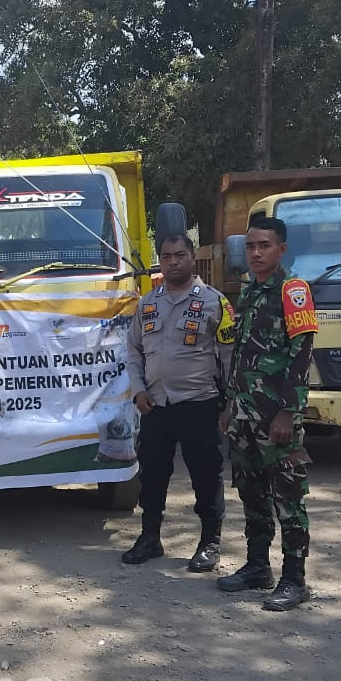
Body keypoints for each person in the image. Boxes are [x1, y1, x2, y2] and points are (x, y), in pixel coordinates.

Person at [217, 216, 319, 611]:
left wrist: (288, 413)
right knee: (252, 494)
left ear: (281, 250)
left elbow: (301, 354)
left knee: (288, 499)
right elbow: (241, 358)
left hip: (276, 419)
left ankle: (295, 579)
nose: (255, 253)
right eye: (251, 246)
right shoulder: (250, 293)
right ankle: (258, 566)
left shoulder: (293, 291)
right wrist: (229, 406)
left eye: (264, 246)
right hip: (245, 417)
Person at [123, 233, 237, 571]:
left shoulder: (216, 302)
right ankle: (150, 538)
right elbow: (133, 350)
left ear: (192, 259)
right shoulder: (148, 303)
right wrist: (137, 389)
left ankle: (209, 542)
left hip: (199, 402)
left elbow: (231, 356)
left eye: (180, 255)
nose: (173, 262)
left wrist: (231, 404)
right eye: (167, 256)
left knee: (206, 474)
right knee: (153, 474)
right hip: (155, 404)